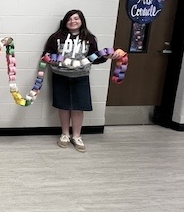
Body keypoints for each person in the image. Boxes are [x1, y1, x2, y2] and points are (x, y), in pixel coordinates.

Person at [44, 9, 125, 153]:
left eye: (76, 18)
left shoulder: (89, 38)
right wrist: (50, 59)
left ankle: (76, 136)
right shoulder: (56, 37)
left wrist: (109, 56)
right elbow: (47, 55)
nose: (72, 21)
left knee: (78, 106)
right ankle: (65, 134)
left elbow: (95, 57)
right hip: (60, 75)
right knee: (63, 105)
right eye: (69, 19)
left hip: (81, 76)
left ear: (82, 21)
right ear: (65, 21)